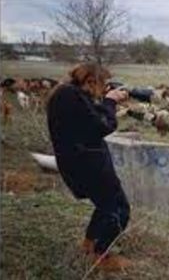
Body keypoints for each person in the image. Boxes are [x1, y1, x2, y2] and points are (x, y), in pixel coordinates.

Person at [46, 63, 131, 271]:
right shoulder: (70, 97)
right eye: (103, 84)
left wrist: (104, 100)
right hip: (89, 167)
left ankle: (88, 246)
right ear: (91, 82)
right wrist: (110, 102)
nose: (103, 89)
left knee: (104, 206)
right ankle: (101, 255)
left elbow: (88, 120)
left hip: (81, 163)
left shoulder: (68, 94)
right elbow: (103, 126)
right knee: (119, 209)